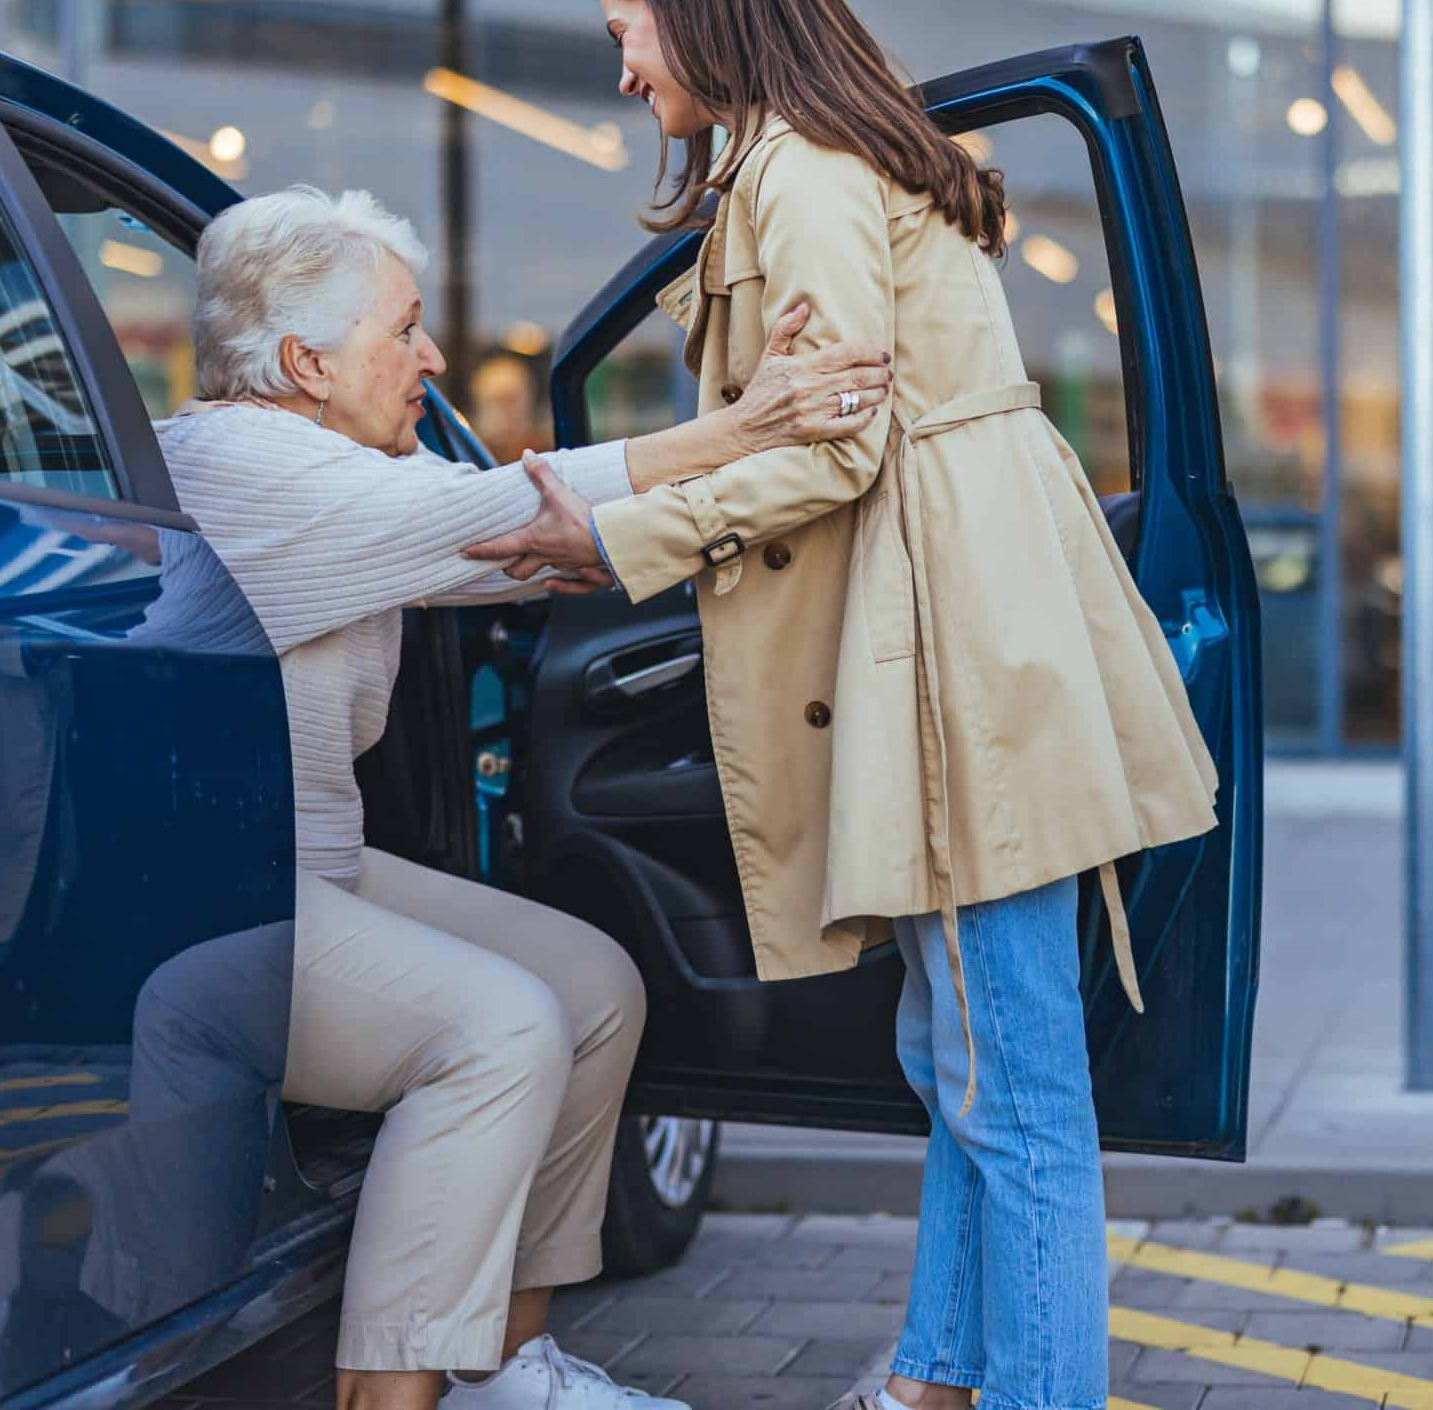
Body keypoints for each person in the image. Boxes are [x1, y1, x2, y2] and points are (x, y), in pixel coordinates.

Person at [462, 0, 1220, 1408]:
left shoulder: (802, 172)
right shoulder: (816, 156)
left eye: (624, 27)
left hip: (956, 657)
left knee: (1016, 1094)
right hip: (966, 640)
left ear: (695, 9)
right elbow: (798, 430)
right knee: (967, 1059)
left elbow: (834, 455)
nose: (624, 74)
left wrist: (610, 539)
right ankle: (935, 1380)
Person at [160, 184, 892, 1410]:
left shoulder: (330, 468)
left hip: (311, 865)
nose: (433, 357)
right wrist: (744, 429)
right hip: (213, 905)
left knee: (592, 985)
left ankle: (505, 1368)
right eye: (402, 331)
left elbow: (505, 551)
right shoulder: (237, 462)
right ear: (302, 361)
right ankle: (388, 1390)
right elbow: (493, 511)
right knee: (498, 1026)